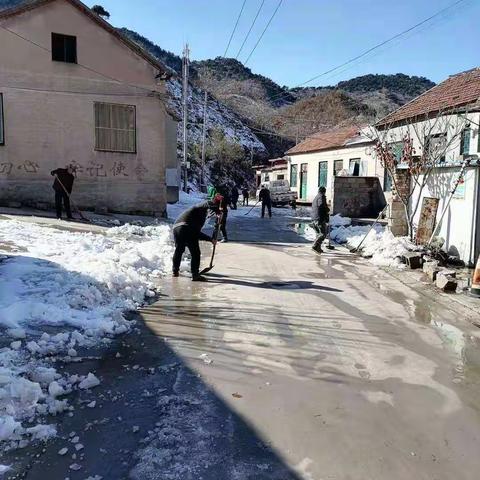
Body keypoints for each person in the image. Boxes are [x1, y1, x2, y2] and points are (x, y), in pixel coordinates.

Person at [172, 195, 222, 281]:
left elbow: (196, 233)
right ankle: (195, 274)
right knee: (195, 253)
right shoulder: (200, 208)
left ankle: (175, 271)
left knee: (179, 249)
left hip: (177, 227)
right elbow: (208, 204)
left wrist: (211, 239)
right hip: (186, 228)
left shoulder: (196, 215)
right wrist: (217, 210)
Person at [311, 186, 330, 253]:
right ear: (324, 191)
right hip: (319, 218)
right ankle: (315, 245)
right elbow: (321, 205)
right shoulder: (321, 197)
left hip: (314, 218)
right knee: (323, 234)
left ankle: (318, 248)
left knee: (318, 234)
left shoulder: (316, 197)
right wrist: (327, 210)